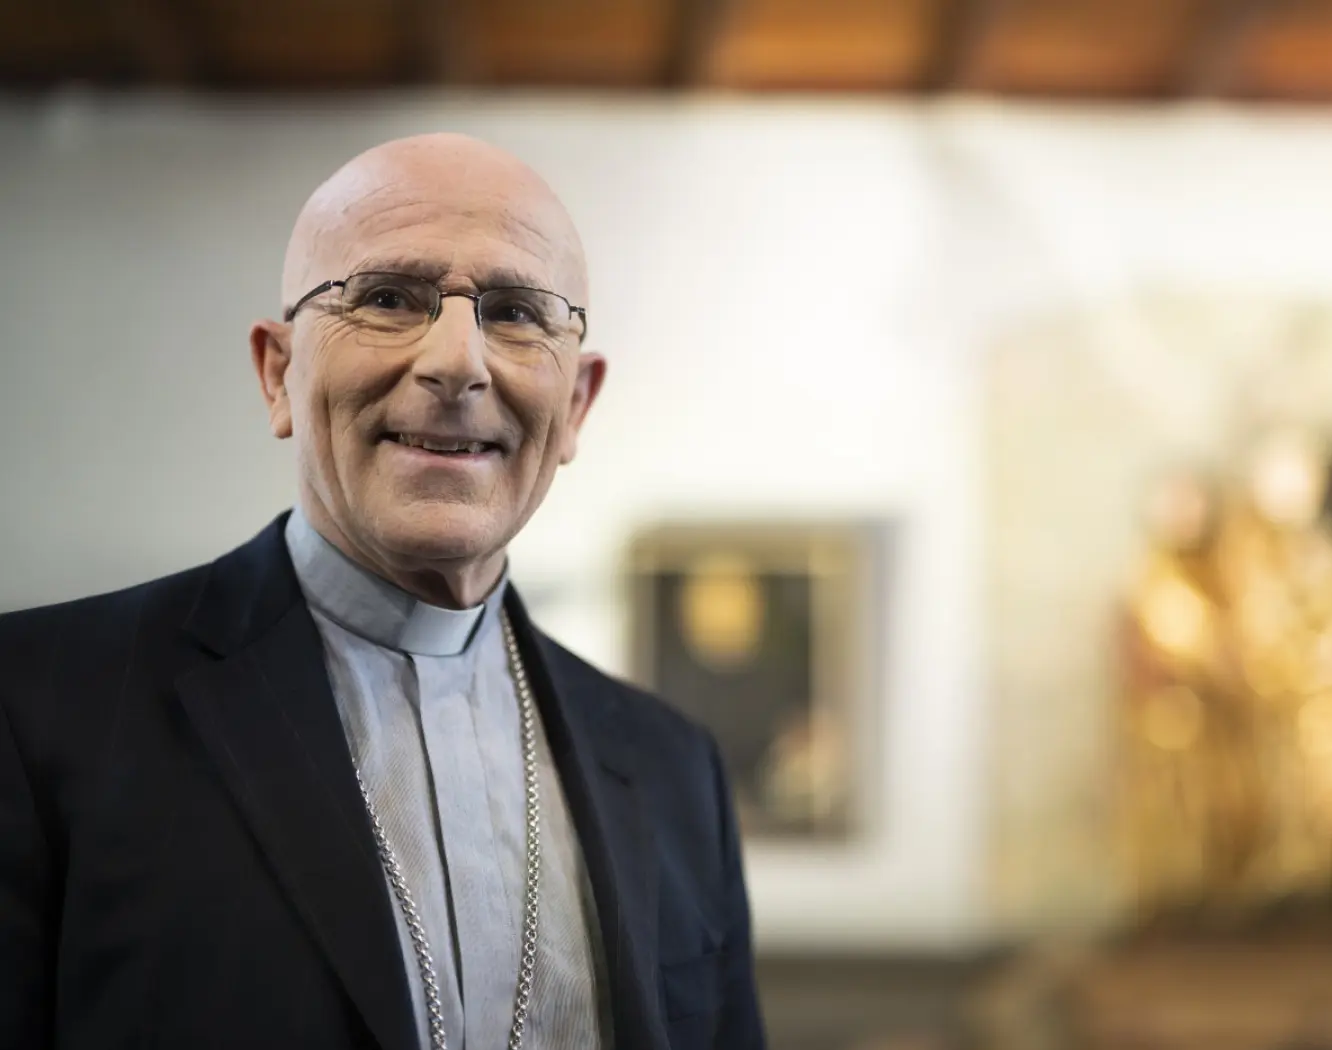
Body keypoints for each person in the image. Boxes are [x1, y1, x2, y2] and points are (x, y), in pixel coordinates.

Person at [0, 133, 765, 1050]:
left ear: (576, 405)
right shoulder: (35, 707)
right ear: (278, 374)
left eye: (516, 312)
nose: (457, 363)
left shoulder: (676, 771)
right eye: (389, 298)